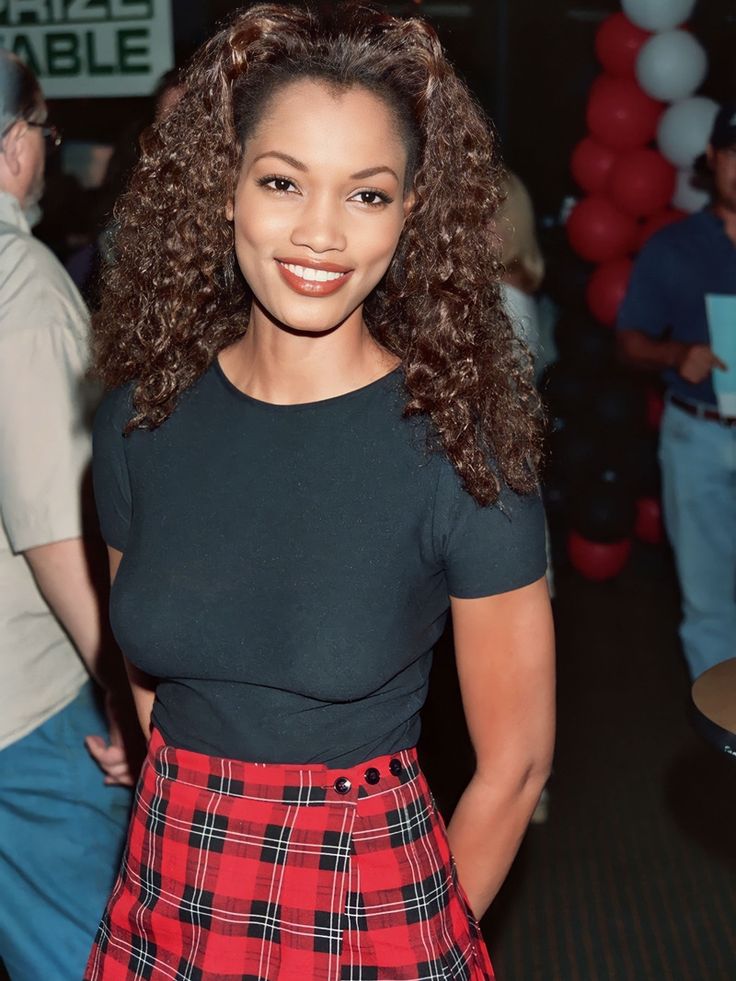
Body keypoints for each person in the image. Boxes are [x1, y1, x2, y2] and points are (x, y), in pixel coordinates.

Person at [84, 5, 555, 978]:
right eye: (282, 182)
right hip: (167, 878)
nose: (320, 233)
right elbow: (144, 684)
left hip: (367, 893)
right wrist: (173, 813)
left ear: (412, 212)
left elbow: (513, 769)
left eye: (368, 195)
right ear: (225, 190)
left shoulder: (462, 458)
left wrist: (413, 944)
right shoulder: (138, 425)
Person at [0, 50, 137, 980]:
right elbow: (57, 534)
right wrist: (131, 699)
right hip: (32, 709)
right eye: (44, 135)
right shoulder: (22, 290)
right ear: (13, 146)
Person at [618, 103, 736, 681]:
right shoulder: (674, 247)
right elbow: (629, 341)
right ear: (713, 159)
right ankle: (727, 748)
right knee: (709, 602)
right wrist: (674, 355)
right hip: (698, 434)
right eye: (735, 153)